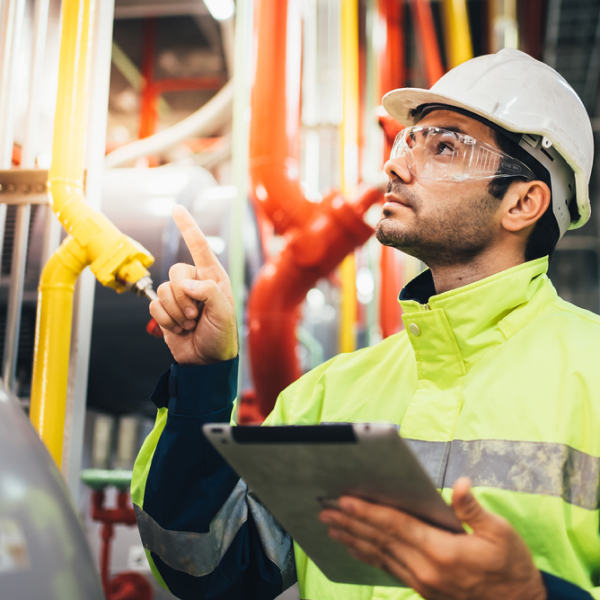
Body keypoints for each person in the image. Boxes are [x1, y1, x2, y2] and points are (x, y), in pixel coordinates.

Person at [131, 49, 599, 600]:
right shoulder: (330, 394)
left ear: (523, 202)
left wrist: (533, 595)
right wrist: (202, 381)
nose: (396, 166)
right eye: (410, 142)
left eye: (445, 147)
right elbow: (204, 568)